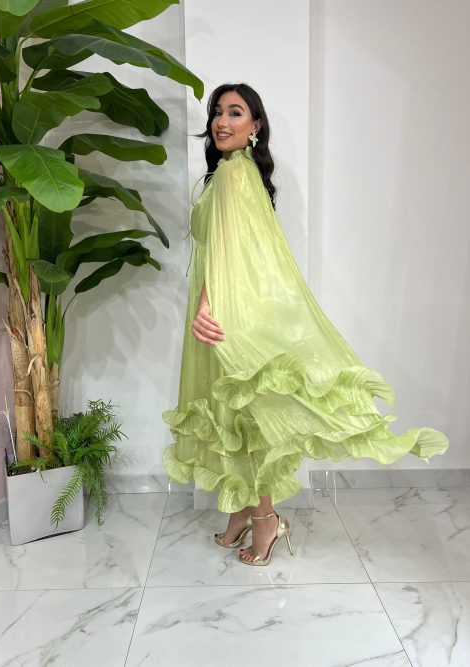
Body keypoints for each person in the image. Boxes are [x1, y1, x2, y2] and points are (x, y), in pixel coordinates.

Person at [162, 82, 449, 567]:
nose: (222, 121)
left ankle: (265, 520)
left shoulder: (233, 173)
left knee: (246, 415)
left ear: (255, 125)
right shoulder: (235, 171)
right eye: (217, 112)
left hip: (225, 308)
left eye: (235, 112)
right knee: (231, 413)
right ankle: (241, 512)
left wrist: (208, 304)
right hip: (232, 303)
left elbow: (231, 250)